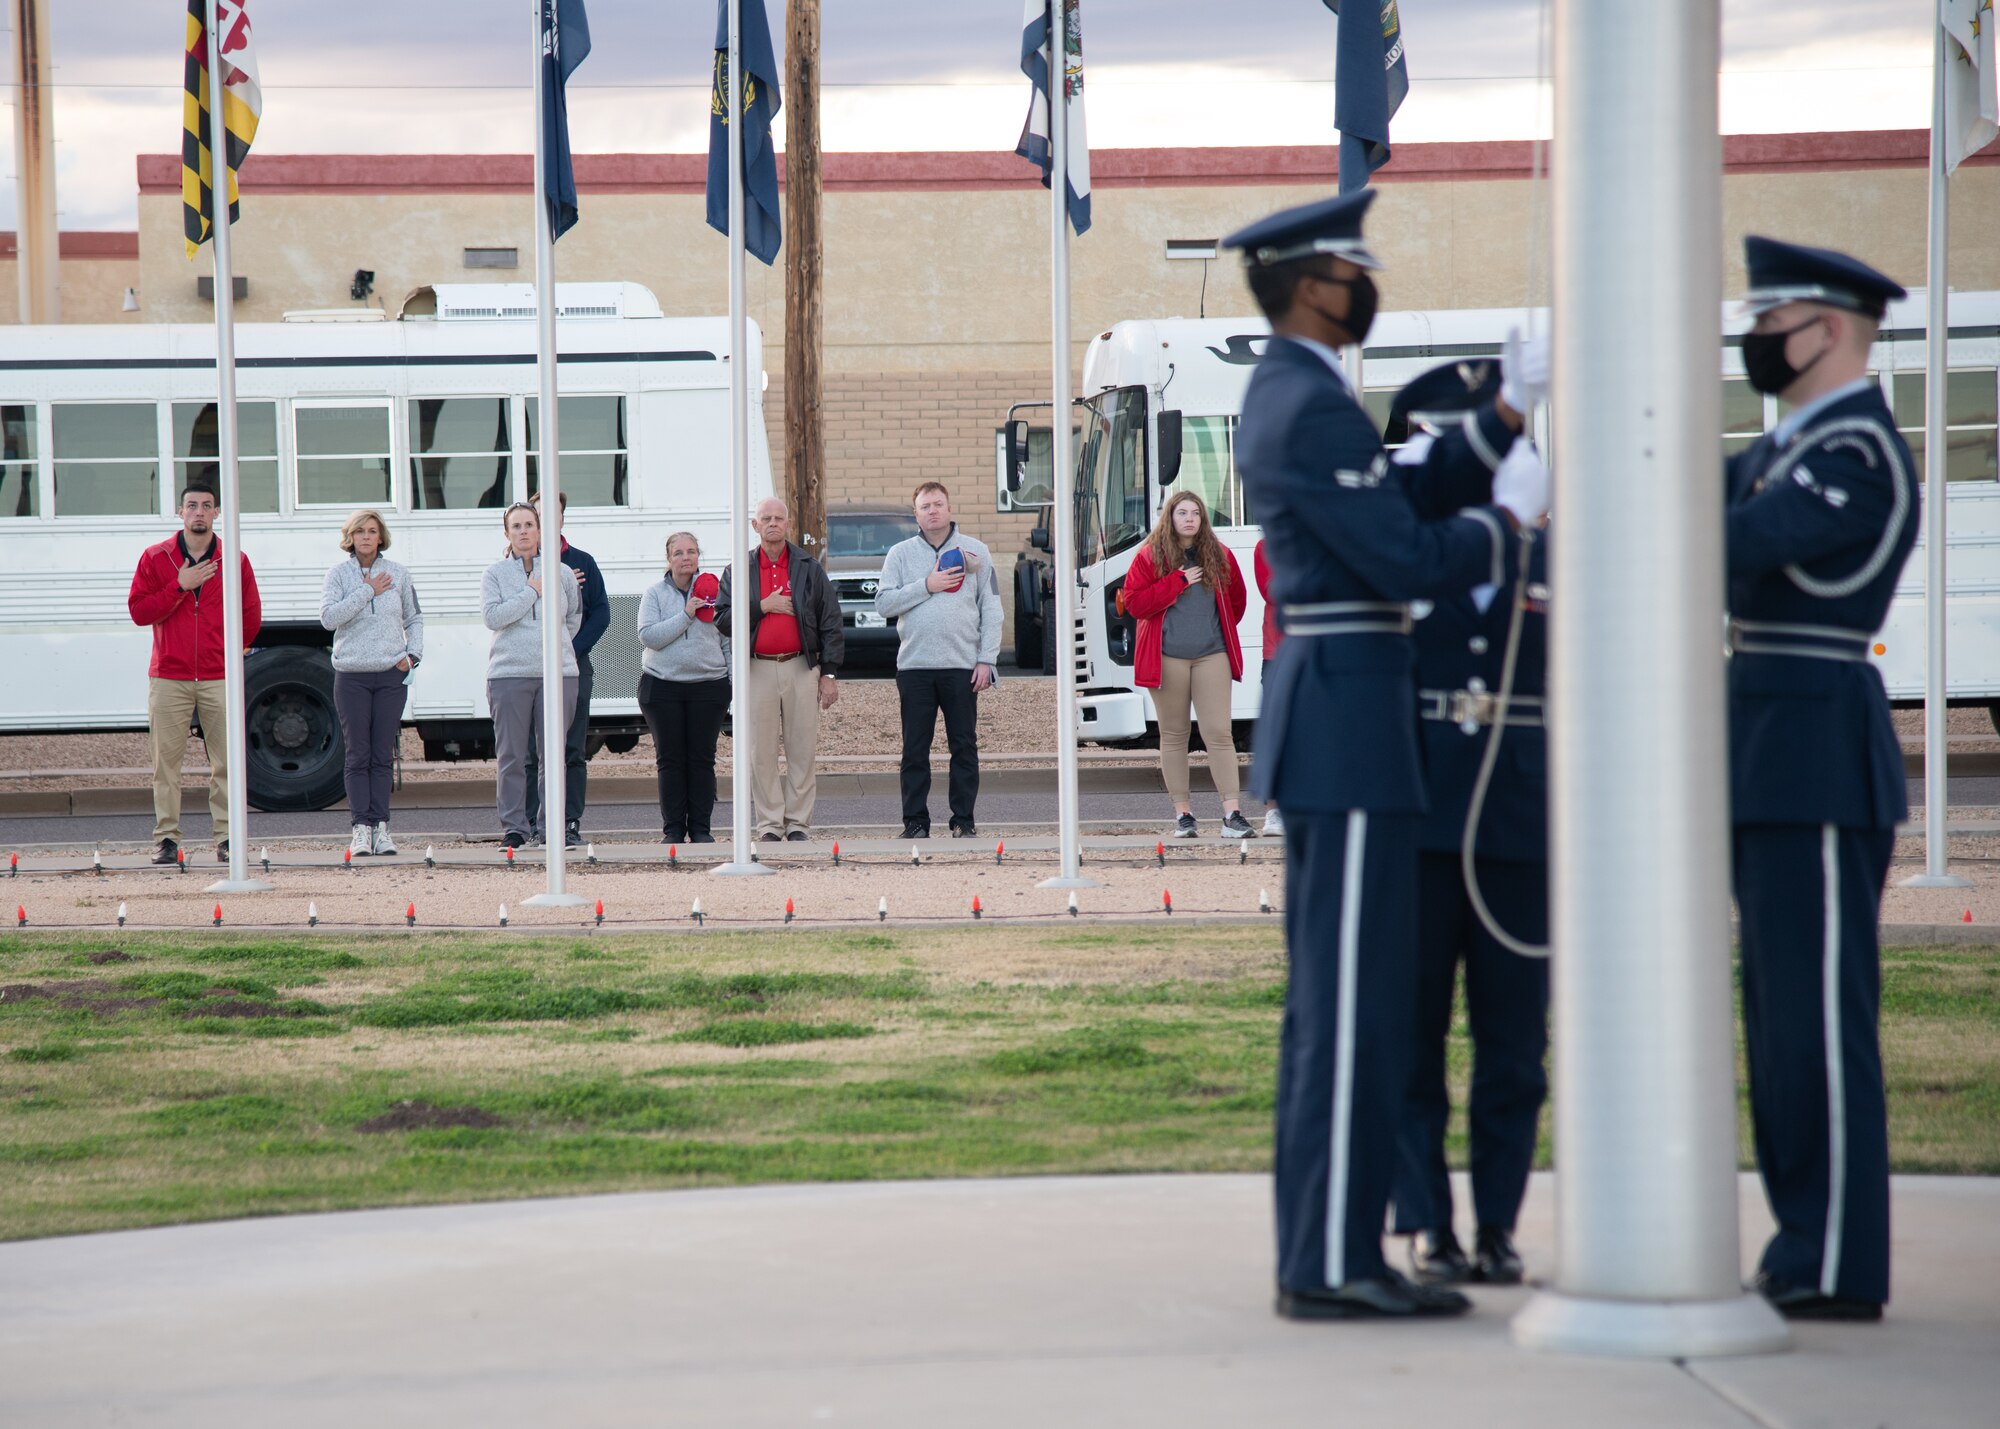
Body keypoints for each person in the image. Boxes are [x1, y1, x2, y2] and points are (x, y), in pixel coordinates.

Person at [1224, 189, 1548, 1322]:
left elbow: (1398, 494)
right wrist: (1505, 529)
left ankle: (1330, 1249)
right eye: (1357, 269)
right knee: (1348, 1008)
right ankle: (1328, 1262)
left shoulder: (1300, 391)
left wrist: (1500, 423)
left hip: (1343, 718)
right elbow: (1403, 554)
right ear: (1314, 282)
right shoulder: (1307, 403)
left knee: (1341, 1005)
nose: (1369, 285)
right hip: (1352, 723)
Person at [1726, 236, 1918, 1323]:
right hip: (1761, 751)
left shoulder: (1853, 452)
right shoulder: (1789, 442)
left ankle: (1837, 1254)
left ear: (1825, 327)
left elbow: (1736, 537)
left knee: (1814, 1022)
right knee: (1774, 1020)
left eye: (1766, 322)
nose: (1753, 341)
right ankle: (1803, 1238)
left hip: (1810, 757)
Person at [1379, 364, 1551, 1290]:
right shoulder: (1397, 549)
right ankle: (1427, 1223)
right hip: (1415, 816)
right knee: (1413, 1037)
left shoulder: (1550, 556)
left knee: (1515, 1043)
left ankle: (1497, 1222)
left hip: (1522, 824)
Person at [126, 484, 263, 865]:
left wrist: (227, 654)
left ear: (216, 512)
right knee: (166, 764)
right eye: (192, 506)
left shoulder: (235, 560)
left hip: (220, 677)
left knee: (226, 761)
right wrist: (179, 587)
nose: (199, 512)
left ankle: (227, 837)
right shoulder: (156, 558)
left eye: (206, 506)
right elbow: (139, 611)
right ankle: (167, 838)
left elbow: (250, 616)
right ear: (180, 512)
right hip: (169, 676)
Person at [874, 481, 1003, 839]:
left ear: (949, 508)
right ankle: (915, 822)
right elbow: (883, 603)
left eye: (938, 504)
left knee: (964, 745)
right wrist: (927, 585)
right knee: (915, 749)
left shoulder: (976, 552)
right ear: (915, 513)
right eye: (925, 506)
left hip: (963, 667)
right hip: (915, 667)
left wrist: (986, 659)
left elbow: (991, 609)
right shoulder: (899, 554)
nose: (932, 511)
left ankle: (964, 820)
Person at [1122, 491, 1254, 839]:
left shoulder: (1220, 555)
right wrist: (1176, 582)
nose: (1190, 518)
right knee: (1175, 736)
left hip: (1212, 656)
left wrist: (1213, 632)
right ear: (1171, 517)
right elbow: (1135, 604)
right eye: (1182, 512)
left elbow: (1236, 603)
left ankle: (1232, 814)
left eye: (1196, 512)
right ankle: (1183, 815)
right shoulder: (1150, 556)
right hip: (1167, 659)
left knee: (1219, 734)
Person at [716, 497, 843, 841]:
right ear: (754, 526)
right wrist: (761, 607)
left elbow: (831, 621)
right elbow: (722, 620)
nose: (772, 523)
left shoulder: (808, 567)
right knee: (761, 752)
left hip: (801, 668)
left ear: (787, 524)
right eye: (765, 518)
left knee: (802, 748)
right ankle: (770, 824)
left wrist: (828, 673)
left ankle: (798, 823)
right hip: (757, 670)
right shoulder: (738, 570)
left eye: (779, 518)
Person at [319, 509, 424, 858]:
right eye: (359, 531)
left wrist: (413, 656)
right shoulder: (338, 575)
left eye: (372, 531)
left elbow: (414, 617)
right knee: (357, 754)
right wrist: (366, 590)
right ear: (350, 537)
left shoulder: (398, 574)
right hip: (351, 676)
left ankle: (382, 829)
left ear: (381, 537)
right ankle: (360, 829)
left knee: (383, 755)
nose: (366, 536)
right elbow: (329, 619)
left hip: (391, 675)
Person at [482, 500, 582, 849]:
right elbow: (493, 618)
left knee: (552, 754)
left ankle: (550, 828)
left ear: (541, 531)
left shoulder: (563, 573)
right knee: (511, 756)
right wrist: (531, 592)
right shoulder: (494, 574)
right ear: (507, 533)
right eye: (517, 526)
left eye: (529, 525)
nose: (524, 531)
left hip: (559, 673)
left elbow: (572, 620)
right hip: (509, 674)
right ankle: (514, 829)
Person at [524, 492, 609, 848]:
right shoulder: (520, 564)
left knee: (572, 749)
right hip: (529, 670)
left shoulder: (582, 562)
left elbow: (601, 613)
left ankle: (569, 823)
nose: (548, 520)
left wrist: (569, 651)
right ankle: (533, 824)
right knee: (532, 752)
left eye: (554, 513)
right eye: (540, 515)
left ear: (563, 518)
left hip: (574, 667)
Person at [637, 531, 729, 843]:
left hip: (709, 686)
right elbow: (649, 636)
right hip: (662, 687)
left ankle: (701, 829)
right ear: (668, 559)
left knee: (702, 759)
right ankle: (673, 830)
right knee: (670, 759)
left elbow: (727, 638)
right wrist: (686, 615)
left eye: (691, 551)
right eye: (679, 553)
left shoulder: (717, 591)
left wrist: (732, 681)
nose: (686, 557)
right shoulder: (654, 594)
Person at [1253, 539, 1283, 836]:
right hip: (1278, 653)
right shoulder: (1266, 546)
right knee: (1276, 733)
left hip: (1320, 650)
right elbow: (1272, 591)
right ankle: (1273, 812)